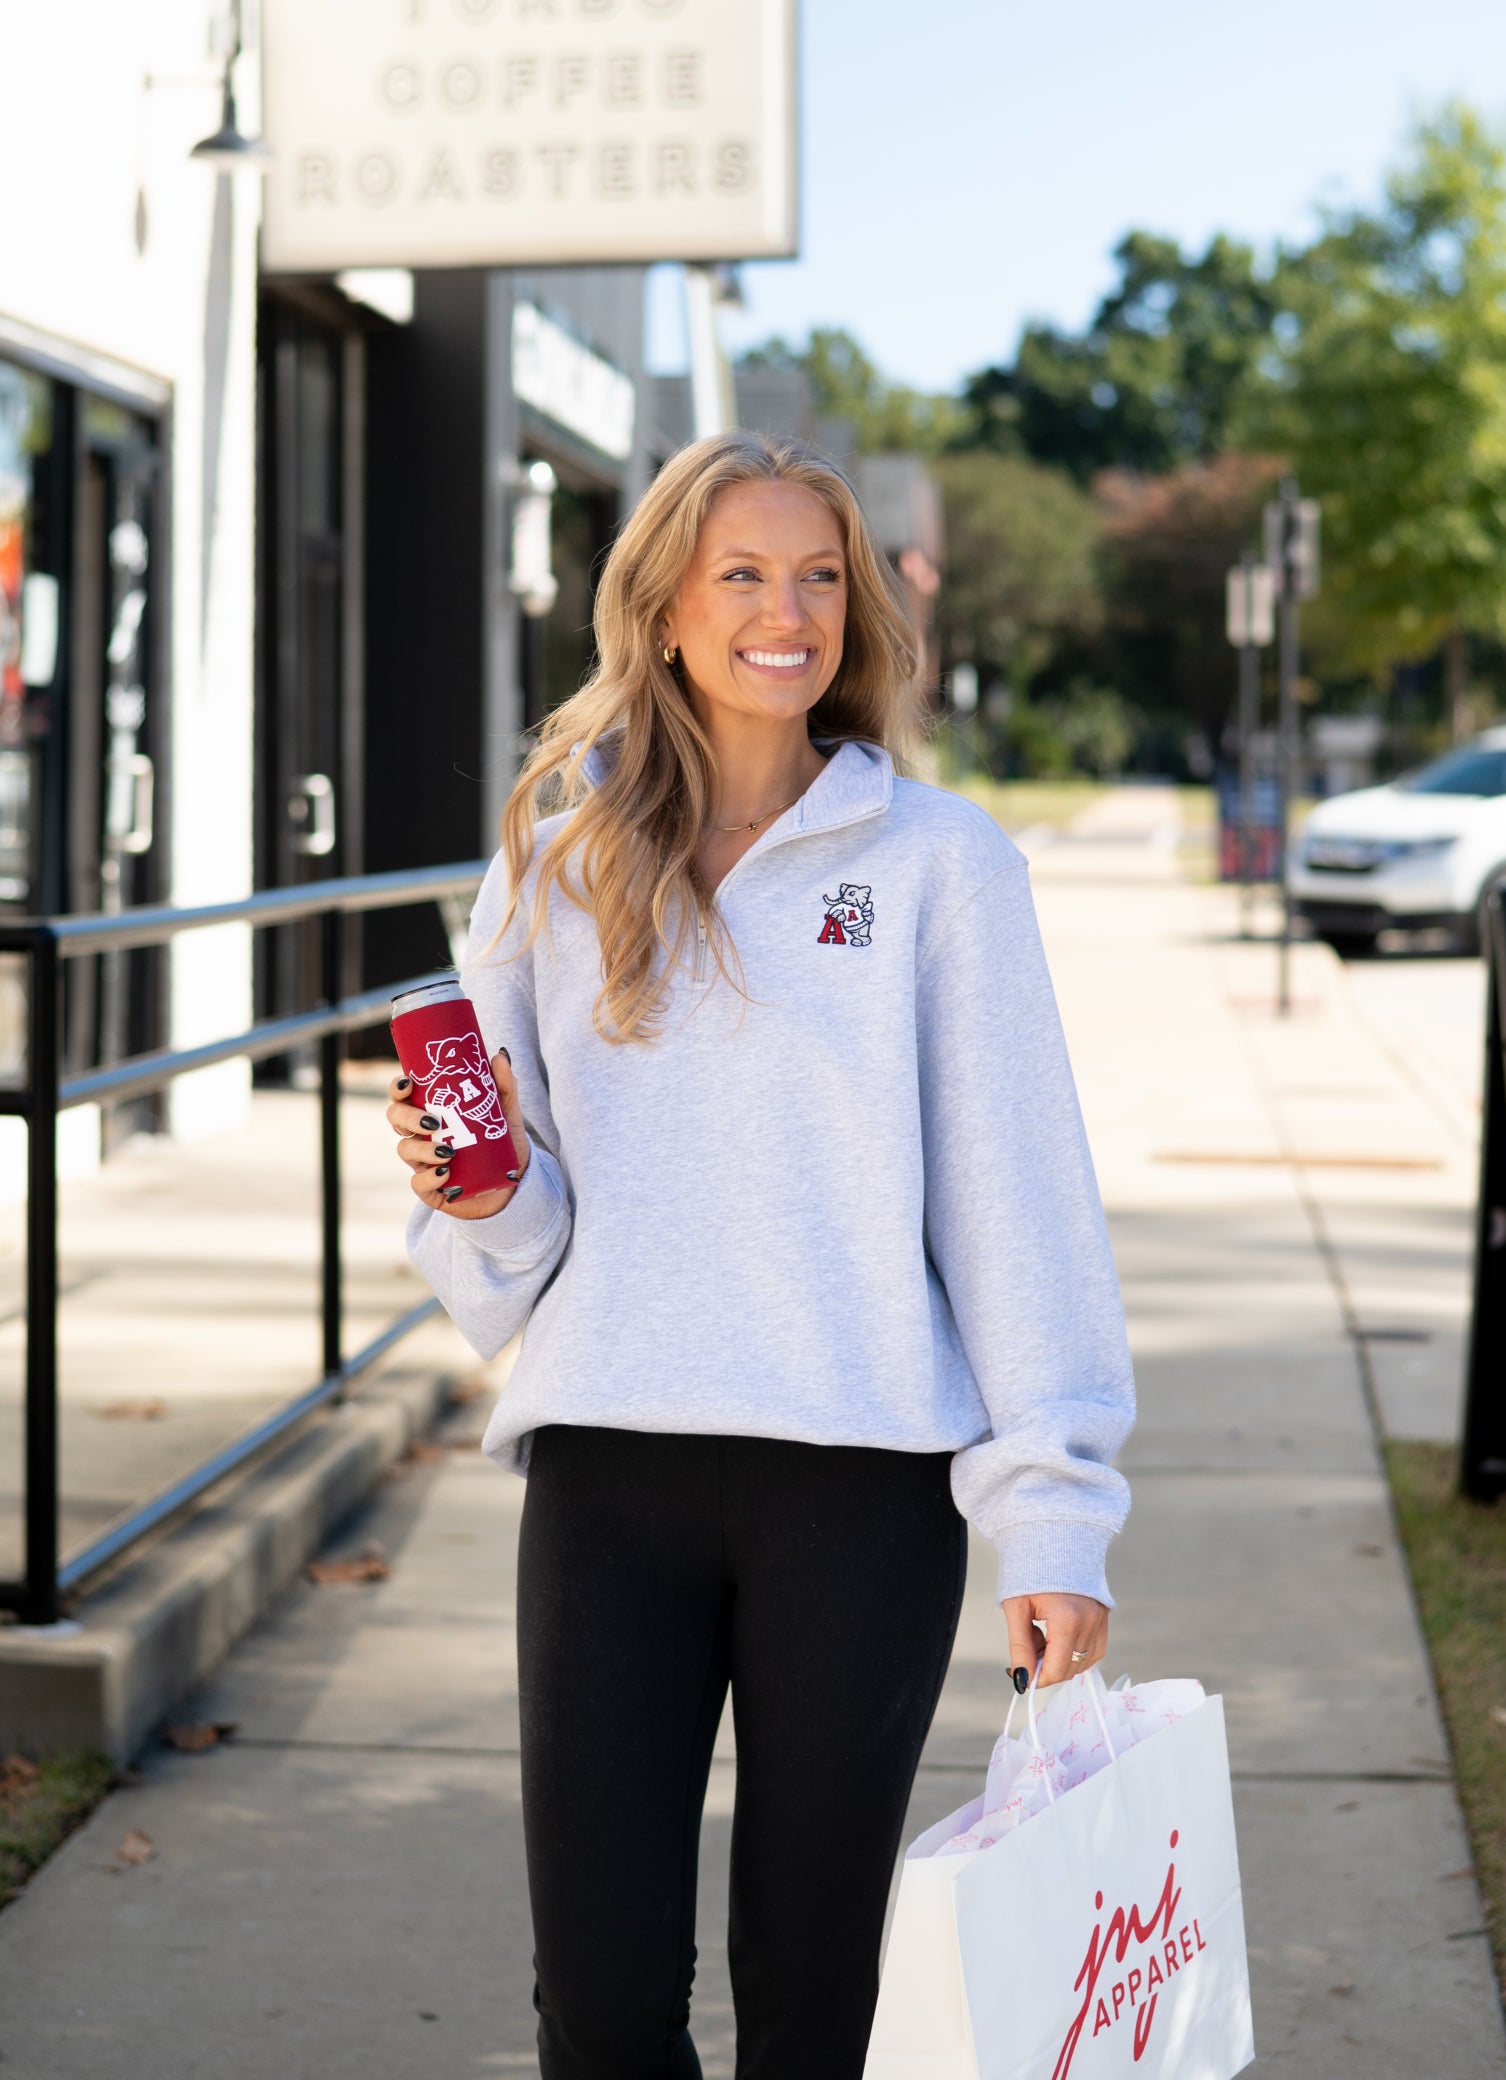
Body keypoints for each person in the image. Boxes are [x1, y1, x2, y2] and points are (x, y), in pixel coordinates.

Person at [385, 431, 1135, 2080]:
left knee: (810, 2004)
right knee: (597, 2002)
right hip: (609, 1475)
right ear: (661, 610)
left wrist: (1055, 1511)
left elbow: (1017, 1203)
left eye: (819, 577)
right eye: (742, 575)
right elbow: (513, 1240)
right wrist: (467, 1186)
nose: (785, 612)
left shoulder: (941, 866)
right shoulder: (558, 856)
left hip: (856, 1494)